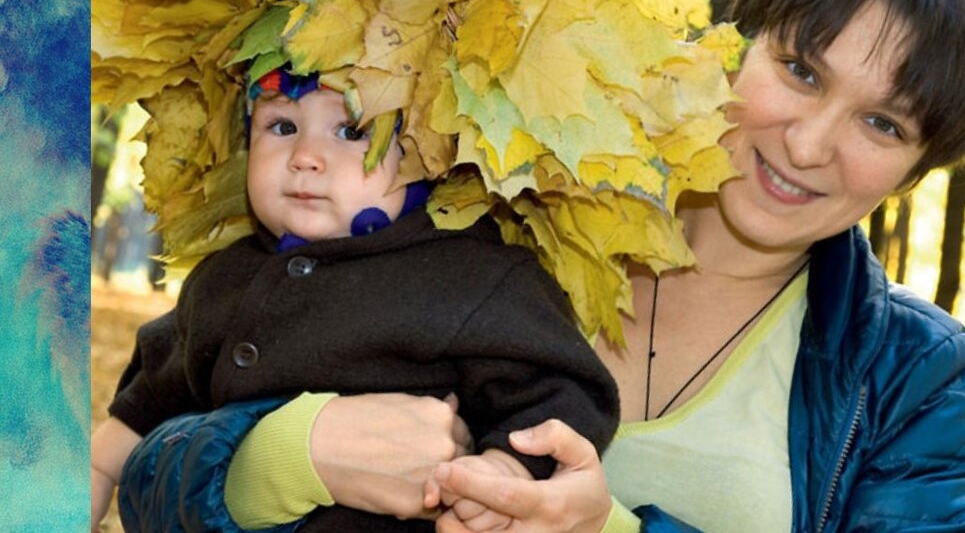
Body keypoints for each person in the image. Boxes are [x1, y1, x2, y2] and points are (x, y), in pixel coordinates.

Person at [115, 0, 965, 532]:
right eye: (802, 70)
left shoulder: (912, 379)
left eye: (882, 122)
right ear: (733, 44)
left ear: (913, 168)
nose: (812, 141)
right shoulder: (486, 216)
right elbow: (151, 467)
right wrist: (283, 453)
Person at [90, 70, 620, 532]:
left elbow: (561, 390)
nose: (304, 158)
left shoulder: (474, 273)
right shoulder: (223, 279)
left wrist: (507, 468)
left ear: (428, 151)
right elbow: (135, 419)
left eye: (352, 131)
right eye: (282, 127)